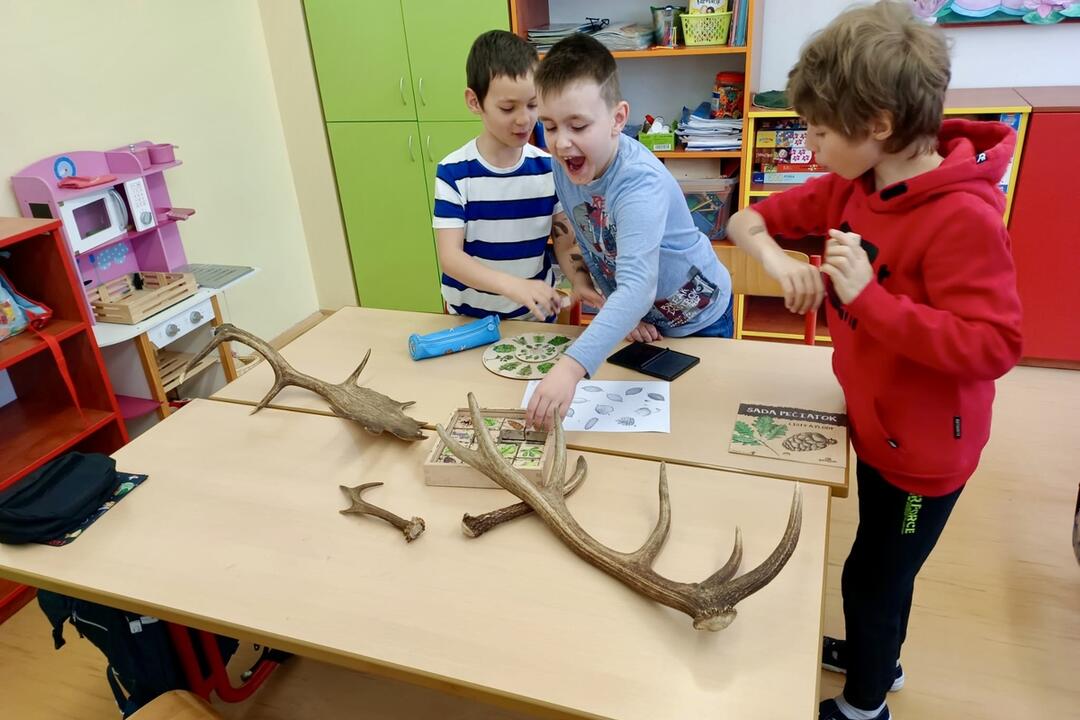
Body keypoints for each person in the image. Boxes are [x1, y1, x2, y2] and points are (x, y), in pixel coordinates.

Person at [725, 3, 1023, 719]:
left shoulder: (961, 217)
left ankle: (865, 706)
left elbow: (996, 345)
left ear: (879, 125)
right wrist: (772, 256)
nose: (812, 145)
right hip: (876, 425)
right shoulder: (858, 184)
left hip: (925, 454)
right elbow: (746, 217)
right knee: (883, 568)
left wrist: (872, 299)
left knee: (875, 576)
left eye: (820, 132)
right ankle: (877, 656)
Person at [524, 33, 733, 428]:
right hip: (646, 322)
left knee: (701, 426)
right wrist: (612, 299)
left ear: (618, 119)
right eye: (549, 126)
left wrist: (570, 369)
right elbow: (593, 236)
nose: (561, 142)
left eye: (578, 125)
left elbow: (638, 285)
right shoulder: (566, 163)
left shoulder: (640, 184)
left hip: (701, 319)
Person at [432, 30, 583, 321]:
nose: (524, 119)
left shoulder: (550, 169)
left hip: (533, 319)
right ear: (474, 102)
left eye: (532, 104)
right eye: (507, 108)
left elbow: (566, 244)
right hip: (469, 319)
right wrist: (513, 286)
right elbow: (450, 258)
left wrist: (579, 281)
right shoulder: (454, 173)